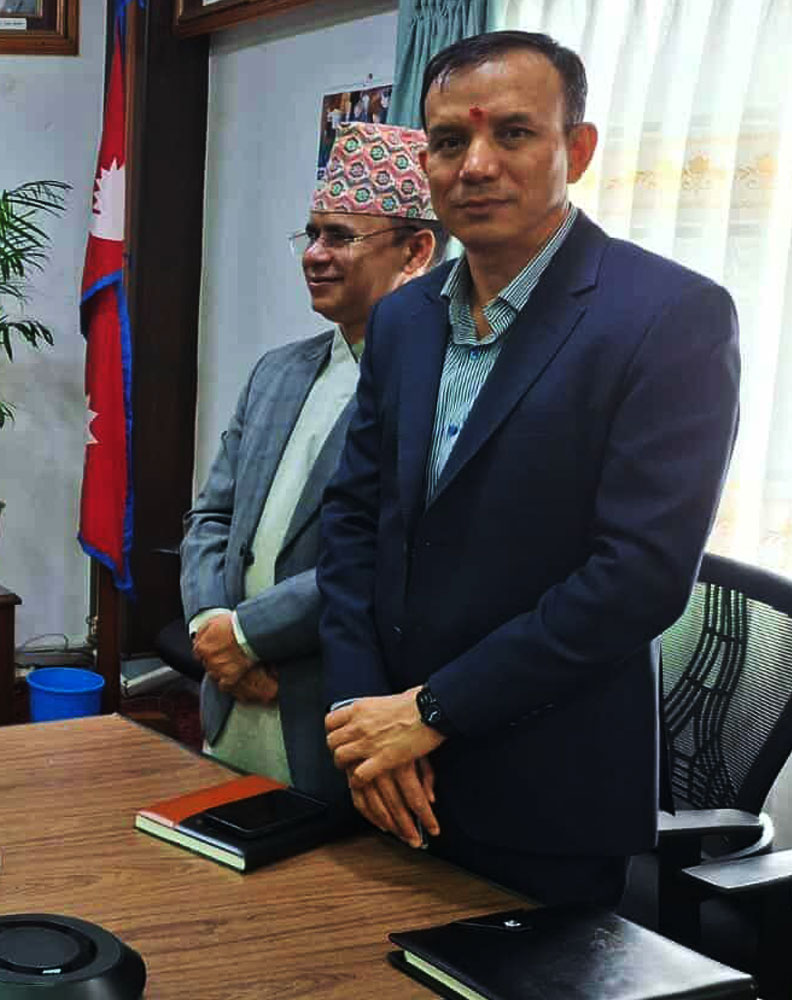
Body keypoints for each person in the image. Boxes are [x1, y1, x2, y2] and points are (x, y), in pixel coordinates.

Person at [319, 31, 742, 906]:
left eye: (513, 133)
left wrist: (431, 712)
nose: (476, 165)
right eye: (449, 141)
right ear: (426, 164)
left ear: (576, 151)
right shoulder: (403, 322)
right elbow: (355, 522)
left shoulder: (669, 317)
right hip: (384, 774)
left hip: (542, 789)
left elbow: (638, 578)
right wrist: (364, 719)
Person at [181, 122, 441, 805]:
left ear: (416, 251)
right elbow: (211, 516)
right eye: (312, 234)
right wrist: (211, 629)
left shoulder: (437, 391)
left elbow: (385, 558)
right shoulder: (278, 372)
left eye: (340, 237)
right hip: (232, 698)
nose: (315, 255)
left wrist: (248, 636)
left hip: (329, 716)